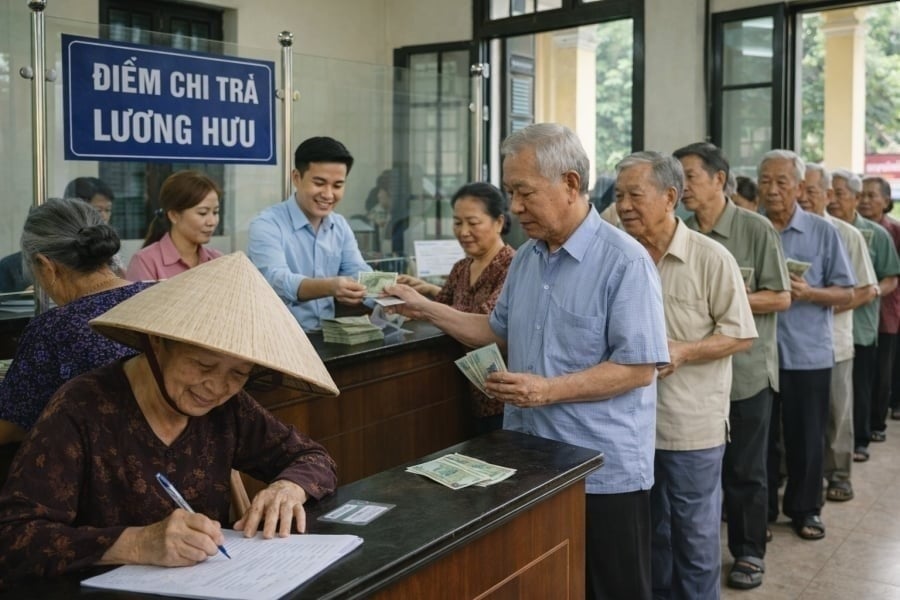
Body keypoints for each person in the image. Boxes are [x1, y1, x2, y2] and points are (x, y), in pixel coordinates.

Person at [387, 123, 669, 600]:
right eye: (510, 192)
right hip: (528, 459)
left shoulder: (624, 261)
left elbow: (640, 367)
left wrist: (548, 390)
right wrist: (428, 308)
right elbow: (496, 331)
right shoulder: (527, 259)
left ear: (571, 185)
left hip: (600, 470)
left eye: (524, 192)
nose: (514, 207)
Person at [0, 252, 338, 585]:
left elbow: (312, 457)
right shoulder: (80, 409)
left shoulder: (228, 409)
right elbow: (14, 538)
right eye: (203, 366)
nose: (217, 387)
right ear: (158, 343)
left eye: (238, 373)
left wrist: (288, 487)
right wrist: (137, 543)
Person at [616, 151, 757, 599]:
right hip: (629, 425)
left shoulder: (710, 257)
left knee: (694, 539)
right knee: (651, 537)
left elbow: (740, 335)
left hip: (690, 428)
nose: (623, 206)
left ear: (671, 196)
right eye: (618, 196)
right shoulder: (619, 256)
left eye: (634, 195)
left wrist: (686, 350)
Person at [674, 142, 791, 590]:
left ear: (719, 179)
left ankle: (748, 552)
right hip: (691, 380)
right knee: (696, 476)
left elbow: (780, 296)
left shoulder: (756, 230)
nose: (682, 187)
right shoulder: (678, 231)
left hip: (745, 375)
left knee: (746, 469)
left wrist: (723, 298)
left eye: (690, 176)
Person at [0, 199, 151, 454]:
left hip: (101, 477)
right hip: (178, 468)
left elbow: (11, 426)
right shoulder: (157, 296)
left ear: (46, 266)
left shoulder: (54, 328)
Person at [761, 150, 855, 541]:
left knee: (806, 437)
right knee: (760, 441)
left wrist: (810, 291)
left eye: (782, 182)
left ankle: (805, 509)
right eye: (766, 181)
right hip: (759, 355)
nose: (772, 189)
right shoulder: (753, 228)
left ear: (800, 187)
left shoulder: (822, 231)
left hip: (807, 353)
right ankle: (759, 511)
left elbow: (847, 292)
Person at [398, 182, 515, 433]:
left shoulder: (512, 266)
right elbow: (441, 307)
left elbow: (488, 323)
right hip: (460, 395)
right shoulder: (461, 268)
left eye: (473, 223)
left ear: (498, 222)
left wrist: (424, 305)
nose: (463, 232)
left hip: (502, 399)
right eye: (457, 222)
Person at [803, 164, 876, 503]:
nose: (803, 198)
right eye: (800, 190)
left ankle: (839, 475)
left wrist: (819, 307)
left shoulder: (847, 234)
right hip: (793, 344)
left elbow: (865, 290)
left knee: (836, 412)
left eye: (812, 192)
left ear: (828, 195)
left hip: (834, 341)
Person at [248, 137, 372, 331]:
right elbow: (275, 280)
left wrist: (391, 294)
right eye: (319, 183)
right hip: (280, 339)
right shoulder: (267, 224)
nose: (328, 194)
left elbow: (357, 271)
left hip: (328, 336)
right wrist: (329, 287)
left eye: (338, 185)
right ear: (297, 177)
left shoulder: (339, 225)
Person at [827, 169, 900, 459]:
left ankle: (861, 438)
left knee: (863, 383)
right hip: (826, 327)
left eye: (839, 194)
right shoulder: (823, 229)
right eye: (829, 193)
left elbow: (890, 277)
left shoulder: (877, 234)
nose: (832, 200)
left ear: (854, 198)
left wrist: (869, 293)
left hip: (862, 323)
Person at [858, 176, 900, 441]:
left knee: (883, 369)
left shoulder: (894, 230)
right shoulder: (848, 229)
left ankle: (877, 423)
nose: (864, 200)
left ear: (886, 201)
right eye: (861, 194)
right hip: (857, 311)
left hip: (887, 309)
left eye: (871, 196)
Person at [126, 170, 223, 281]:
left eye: (215, 212)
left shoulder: (218, 260)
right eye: (202, 213)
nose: (212, 222)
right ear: (174, 215)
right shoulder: (145, 262)